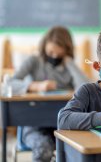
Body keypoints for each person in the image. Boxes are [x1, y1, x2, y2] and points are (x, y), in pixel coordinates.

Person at [11, 26, 89, 162]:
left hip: (62, 126)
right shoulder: (34, 61)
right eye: (51, 52)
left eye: (58, 54)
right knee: (44, 150)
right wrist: (34, 86)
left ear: (66, 50)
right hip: (34, 124)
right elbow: (9, 83)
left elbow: (86, 89)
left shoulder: (68, 67)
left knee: (75, 150)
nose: (54, 56)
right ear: (44, 46)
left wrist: (70, 63)